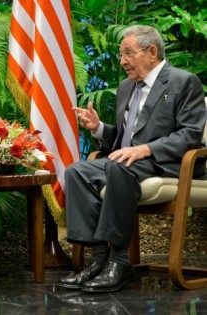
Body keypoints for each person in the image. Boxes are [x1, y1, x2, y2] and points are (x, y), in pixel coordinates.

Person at [58, 25, 206, 293]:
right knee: (76, 172)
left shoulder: (183, 82)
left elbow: (191, 135)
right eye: (120, 54)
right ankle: (99, 260)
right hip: (127, 162)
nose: (123, 61)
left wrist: (146, 149)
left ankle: (119, 261)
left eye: (128, 53)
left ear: (151, 52)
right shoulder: (126, 87)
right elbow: (124, 139)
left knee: (119, 166)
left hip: (165, 163)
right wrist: (99, 129)